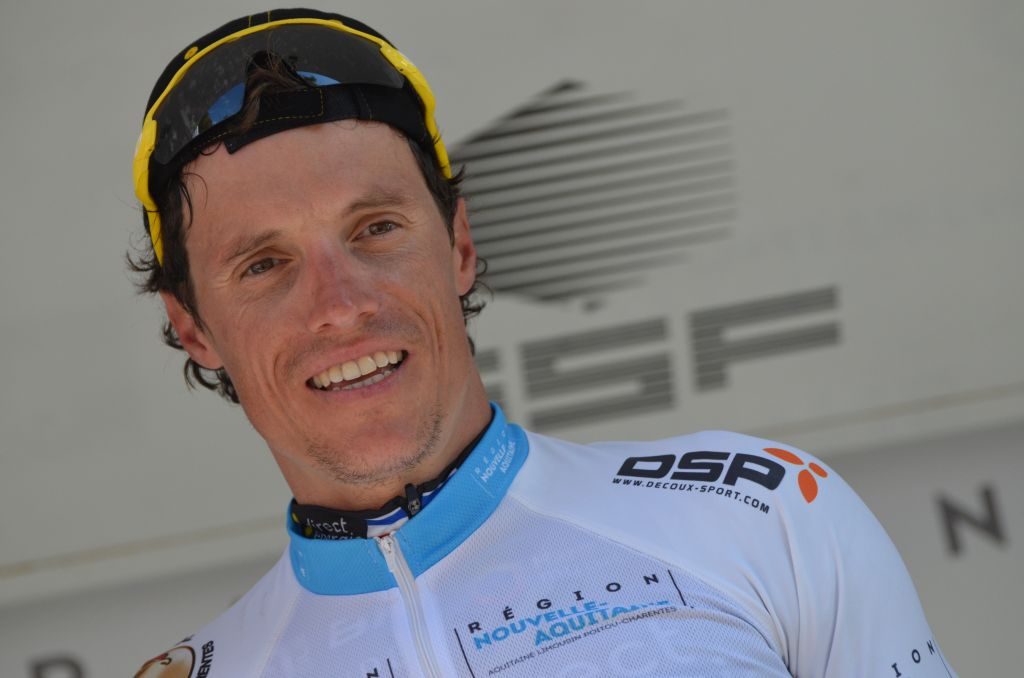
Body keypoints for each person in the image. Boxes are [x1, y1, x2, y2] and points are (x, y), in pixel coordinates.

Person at [130, 9, 956, 677]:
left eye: (375, 228)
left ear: (459, 244)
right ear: (193, 327)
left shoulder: (759, 514)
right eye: (265, 265)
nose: (341, 307)